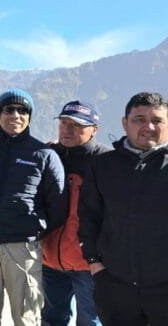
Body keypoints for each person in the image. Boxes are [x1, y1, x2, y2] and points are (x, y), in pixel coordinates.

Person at [0, 89, 67, 326]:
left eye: (23, 110)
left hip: (23, 249)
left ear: (30, 116)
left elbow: (58, 203)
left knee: (26, 317)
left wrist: (35, 228)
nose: (16, 114)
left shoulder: (44, 154)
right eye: (8, 109)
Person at [78, 91, 168, 325]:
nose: (148, 126)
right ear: (124, 123)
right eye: (139, 119)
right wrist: (95, 264)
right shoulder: (103, 166)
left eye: (157, 120)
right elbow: (88, 217)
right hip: (115, 288)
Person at [40, 101, 109, 326]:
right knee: (52, 319)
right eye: (63, 123)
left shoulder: (107, 163)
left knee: (90, 321)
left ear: (94, 130)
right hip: (51, 259)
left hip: (89, 264)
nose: (67, 130)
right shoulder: (48, 156)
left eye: (77, 125)